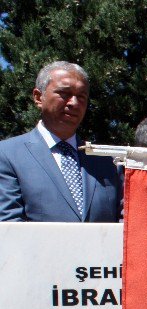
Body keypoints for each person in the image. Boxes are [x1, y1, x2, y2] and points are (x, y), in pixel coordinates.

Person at [0, 61, 122, 222]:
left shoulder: (107, 161)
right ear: (38, 97)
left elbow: (124, 222)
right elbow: (9, 224)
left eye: (81, 96)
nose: (74, 103)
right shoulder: (8, 154)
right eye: (65, 94)